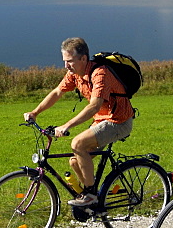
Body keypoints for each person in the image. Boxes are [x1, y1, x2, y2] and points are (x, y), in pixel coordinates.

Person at [24, 37, 135, 208]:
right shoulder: (74, 74)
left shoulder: (100, 73)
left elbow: (94, 106)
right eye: (64, 61)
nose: (66, 66)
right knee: (75, 161)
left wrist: (67, 125)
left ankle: (90, 194)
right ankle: (95, 199)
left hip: (118, 121)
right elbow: (57, 92)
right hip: (101, 120)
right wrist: (35, 112)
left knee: (78, 143)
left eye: (69, 61)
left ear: (83, 58)